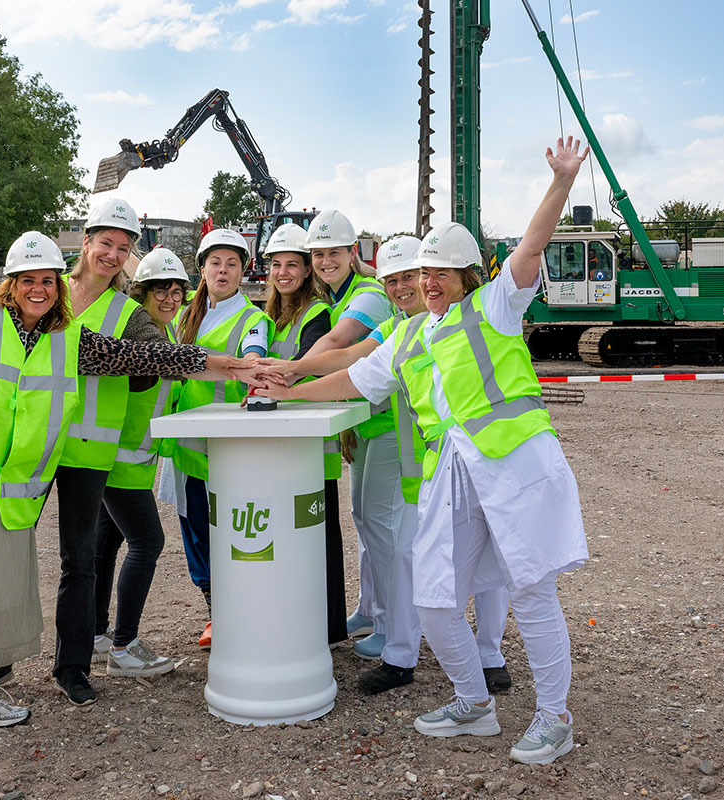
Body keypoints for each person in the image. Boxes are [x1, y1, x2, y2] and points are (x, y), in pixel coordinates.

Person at [253, 137, 591, 765]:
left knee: (533, 593)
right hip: (453, 472)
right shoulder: (408, 335)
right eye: (423, 273)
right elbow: (355, 378)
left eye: (441, 273)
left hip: (515, 464)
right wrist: (289, 385)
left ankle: (554, 717)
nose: (430, 283)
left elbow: (532, 247)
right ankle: (474, 703)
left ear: (467, 275)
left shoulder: (495, 306)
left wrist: (562, 181)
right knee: (434, 599)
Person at [0, 231, 249, 769]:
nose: (40, 290)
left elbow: (144, 356)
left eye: (47, 281)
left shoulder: (69, 339)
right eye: (29, 281)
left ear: (58, 285)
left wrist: (232, 367)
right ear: (11, 283)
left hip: (12, 496)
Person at [255, 235, 511, 695]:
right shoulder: (399, 328)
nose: (400, 288)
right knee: (407, 553)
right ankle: (401, 653)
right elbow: (352, 360)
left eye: (408, 277)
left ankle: (490, 653)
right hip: (428, 464)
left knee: (490, 555)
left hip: (488, 456)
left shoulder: (483, 314)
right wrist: (290, 376)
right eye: (391, 280)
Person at [43, 196, 173, 707]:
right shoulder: (47, 291)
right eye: (106, 244)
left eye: (123, 248)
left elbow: (159, 355)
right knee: (8, 556)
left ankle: (72, 668)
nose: (114, 255)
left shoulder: (129, 313)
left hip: (87, 455)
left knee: (80, 562)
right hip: (33, 445)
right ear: (85, 241)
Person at [300, 209, 399, 660]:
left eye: (333, 252)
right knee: (365, 521)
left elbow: (340, 345)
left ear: (352, 251)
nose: (324, 261)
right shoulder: (342, 294)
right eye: (318, 254)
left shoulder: (369, 294)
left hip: (390, 424)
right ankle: (370, 609)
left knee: (381, 527)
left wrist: (290, 377)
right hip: (367, 424)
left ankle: (393, 624)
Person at [92, 248, 191, 678]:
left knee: (106, 545)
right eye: (160, 291)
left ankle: (96, 635)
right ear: (141, 292)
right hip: (119, 462)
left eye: (177, 292)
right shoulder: (141, 336)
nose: (170, 299)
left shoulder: (162, 334)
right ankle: (124, 646)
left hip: (125, 459)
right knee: (148, 543)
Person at [170, 228, 271, 648]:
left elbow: (252, 357)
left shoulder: (251, 319)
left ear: (243, 270)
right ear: (203, 268)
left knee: (223, 531)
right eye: (216, 262)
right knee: (193, 530)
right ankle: (215, 609)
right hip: (184, 443)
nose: (223, 270)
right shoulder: (182, 316)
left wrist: (246, 364)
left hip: (225, 445)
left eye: (232, 263)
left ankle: (235, 611)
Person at [260, 222, 346, 647]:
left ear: (307, 270)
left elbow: (301, 363)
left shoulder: (316, 312)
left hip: (311, 442)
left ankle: (327, 630)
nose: (283, 272)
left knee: (319, 539)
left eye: (292, 264)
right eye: (276, 264)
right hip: (280, 438)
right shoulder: (268, 316)